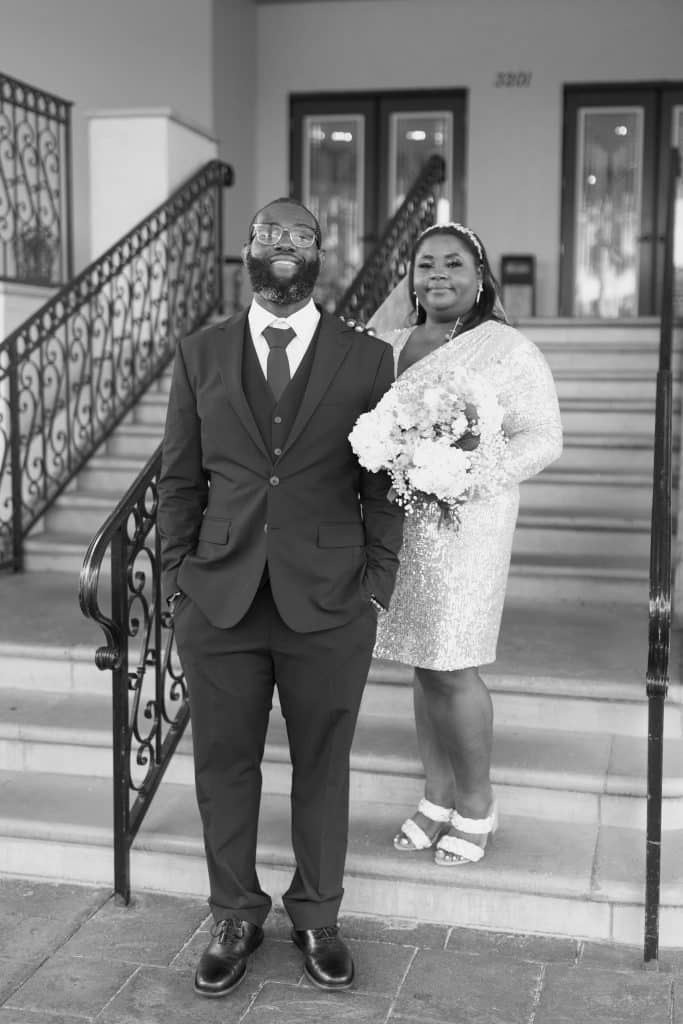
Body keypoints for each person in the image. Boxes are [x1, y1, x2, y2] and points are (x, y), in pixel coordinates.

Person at [157, 197, 403, 997]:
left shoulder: (366, 360)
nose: (285, 245)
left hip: (329, 599)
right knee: (223, 765)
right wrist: (176, 579)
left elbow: (383, 485)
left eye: (302, 236)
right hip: (219, 597)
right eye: (272, 234)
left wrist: (376, 580)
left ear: (321, 252)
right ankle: (234, 912)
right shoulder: (199, 352)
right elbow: (180, 476)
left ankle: (316, 915)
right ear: (248, 248)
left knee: (322, 765)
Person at [367, 222, 562, 867]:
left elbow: (542, 437)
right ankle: (437, 794)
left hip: (466, 523)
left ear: (480, 276)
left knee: (453, 662)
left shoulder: (506, 349)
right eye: (426, 265)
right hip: (397, 524)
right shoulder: (389, 342)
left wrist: (467, 474)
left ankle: (478, 803)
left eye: (454, 263)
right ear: (412, 277)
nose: (439, 275)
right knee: (423, 664)